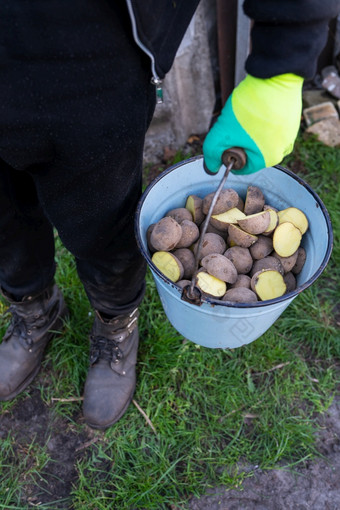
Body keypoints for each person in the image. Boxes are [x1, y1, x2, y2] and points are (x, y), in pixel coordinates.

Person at [0, 0, 338, 430]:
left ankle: (115, 323)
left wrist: (282, 66)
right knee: (5, 221)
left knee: (102, 224)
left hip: (94, 61)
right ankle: (32, 308)